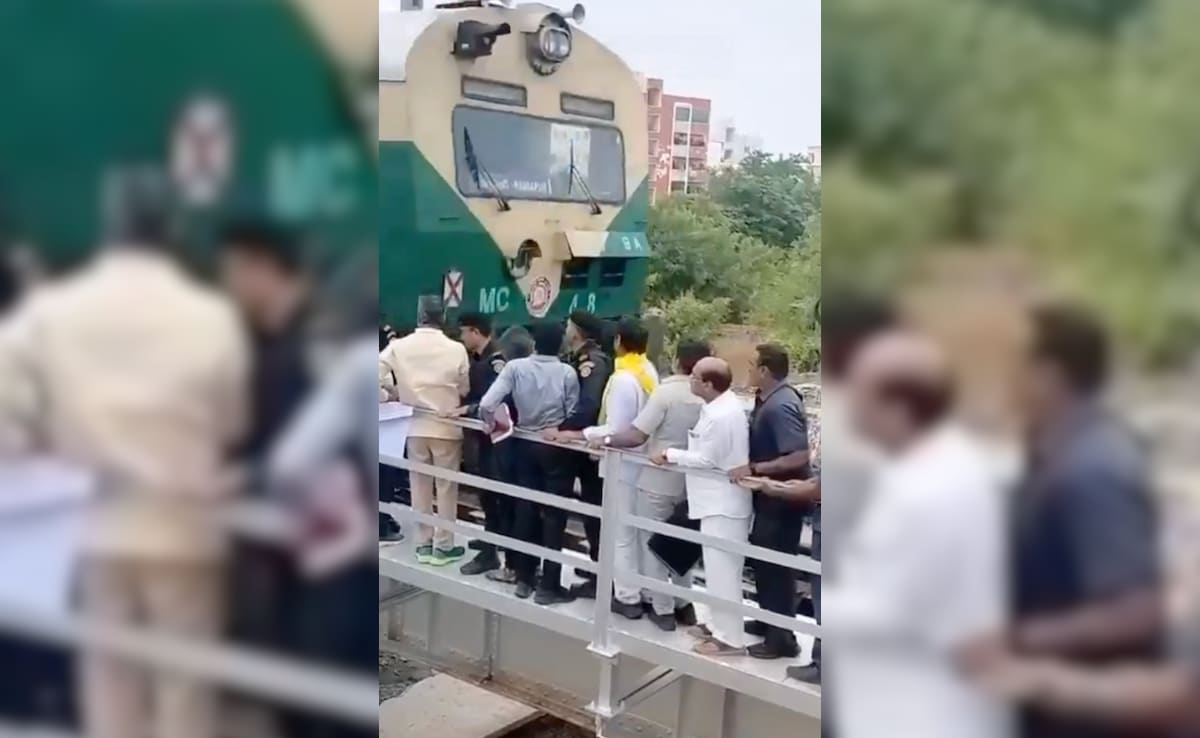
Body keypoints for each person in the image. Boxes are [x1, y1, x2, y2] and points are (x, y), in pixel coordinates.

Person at [0, 169, 250, 738]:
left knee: (109, 680)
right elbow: (231, 421)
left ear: (109, 225)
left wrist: (36, 448)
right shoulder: (211, 315)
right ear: (173, 228)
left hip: (92, 523)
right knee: (185, 685)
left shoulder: (52, 310)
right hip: (185, 525)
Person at [965, 304, 1163, 738]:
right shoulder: (1056, 453)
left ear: (1049, 373)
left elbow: (1134, 609)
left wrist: (1015, 638)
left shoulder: (1095, 467)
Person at [823, 332, 1010, 738]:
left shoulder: (931, 490)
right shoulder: (930, 467)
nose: (848, 403)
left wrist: (822, 604)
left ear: (898, 408)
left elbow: (898, 611)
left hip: (920, 707)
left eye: (859, 393)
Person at [217, 220, 312, 660]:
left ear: (264, 269)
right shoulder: (260, 339)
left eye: (234, 270)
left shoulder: (310, 346)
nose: (228, 282)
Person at [591, 339, 710, 631]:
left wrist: (603, 440)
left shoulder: (666, 393)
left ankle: (662, 608)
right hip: (693, 482)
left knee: (652, 544)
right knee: (684, 543)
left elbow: (636, 435)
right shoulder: (711, 396)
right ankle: (685, 604)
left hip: (658, 479)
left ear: (678, 360)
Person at [550, 316, 658, 618]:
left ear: (618, 341)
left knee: (620, 533)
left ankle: (626, 597)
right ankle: (636, 589)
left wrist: (577, 434)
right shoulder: (646, 370)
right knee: (632, 531)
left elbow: (616, 427)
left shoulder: (624, 379)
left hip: (621, 464)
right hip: (638, 463)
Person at [649, 357, 752, 657]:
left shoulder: (724, 415)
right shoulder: (718, 408)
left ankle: (730, 639)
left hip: (723, 504)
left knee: (723, 572)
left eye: (694, 377)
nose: (689, 380)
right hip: (712, 501)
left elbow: (709, 460)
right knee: (718, 569)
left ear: (708, 384)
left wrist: (670, 454)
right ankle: (719, 626)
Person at [478, 321, 580, 604]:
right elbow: (572, 410)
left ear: (534, 343)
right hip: (554, 447)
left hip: (523, 443)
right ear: (560, 345)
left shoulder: (515, 368)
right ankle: (549, 585)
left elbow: (488, 404)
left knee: (525, 508)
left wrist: (490, 426)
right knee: (555, 516)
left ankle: (523, 577)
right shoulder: (567, 373)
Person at [729, 343, 812, 660]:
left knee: (776, 567)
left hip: (782, 499)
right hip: (770, 497)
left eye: (751, 365)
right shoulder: (770, 400)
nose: (747, 370)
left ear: (764, 370)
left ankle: (782, 639)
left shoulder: (781, 406)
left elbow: (798, 454)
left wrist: (755, 469)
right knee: (764, 564)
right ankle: (769, 621)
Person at [379, 296, 470, 567]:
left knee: (419, 487)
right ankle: (443, 547)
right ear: (442, 316)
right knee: (445, 488)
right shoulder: (456, 349)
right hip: (446, 426)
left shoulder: (399, 347)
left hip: (414, 425)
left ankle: (423, 543)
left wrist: (389, 393)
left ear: (419, 316)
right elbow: (464, 388)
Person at [454, 311, 514, 577]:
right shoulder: (481, 358)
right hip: (483, 437)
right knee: (485, 491)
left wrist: (467, 409)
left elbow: (497, 400)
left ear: (476, 332)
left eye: (464, 332)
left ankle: (491, 553)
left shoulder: (495, 362)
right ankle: (492, 536)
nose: (462, 337)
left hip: (494, 439)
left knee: (492, 494)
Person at [558, 310, 613, 594]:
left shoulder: (591, 361)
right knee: (591, 507)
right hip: (583, 442)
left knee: (594, 507)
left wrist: (566, 428)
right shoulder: (579, 357)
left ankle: (602, 574)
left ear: (576, 330)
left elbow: (588, 404)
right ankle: (597, 565)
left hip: (588, 443)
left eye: (569, 325)